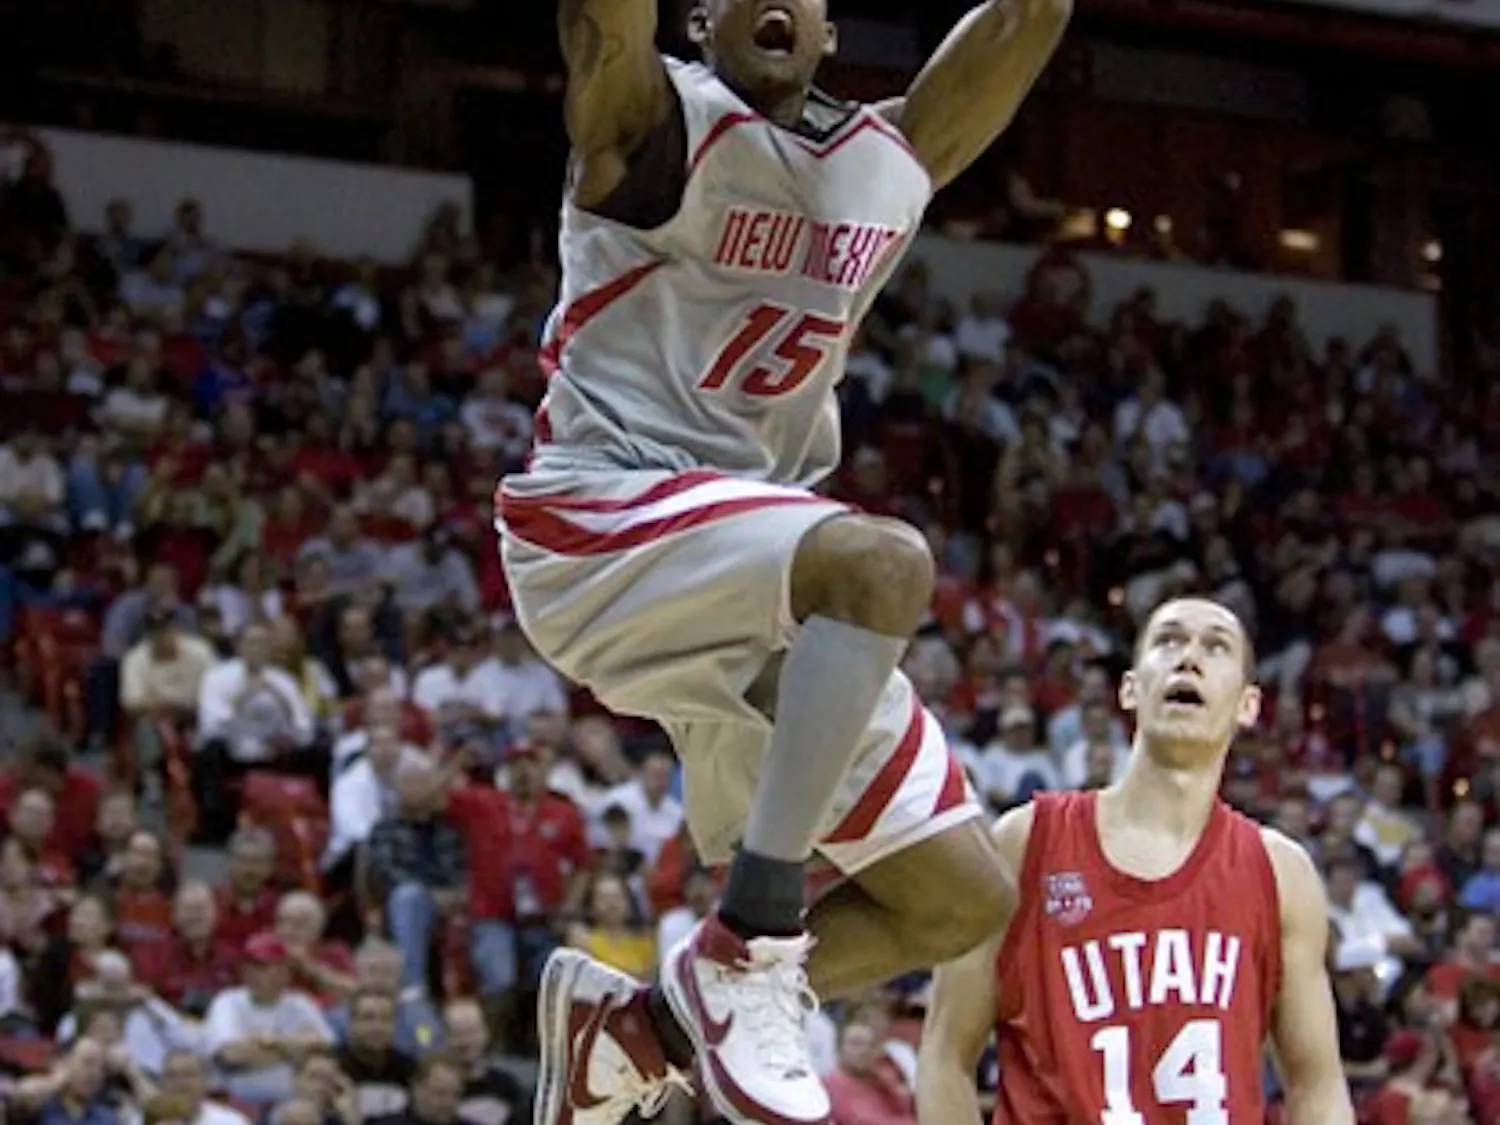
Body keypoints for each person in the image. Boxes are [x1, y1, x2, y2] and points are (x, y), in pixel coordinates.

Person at [502, 1, 1072, 1123]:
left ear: (826, 31)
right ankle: (755, 940)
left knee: (960, 902)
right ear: (700, 20)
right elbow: (598, 26)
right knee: (881, 565)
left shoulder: (888, 158)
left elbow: (1033, 12)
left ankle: (636, 1032)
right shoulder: (655, 123)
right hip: (602, 524)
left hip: (755, 570)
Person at [915, 597, 1354, 1124]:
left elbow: (1318, 1089)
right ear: (1129, 688)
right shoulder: (1026, 843)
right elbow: (945, 1058)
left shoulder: (1281, 874)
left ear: (1248, 705)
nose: (1189, 657)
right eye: (1168, 641)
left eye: (1216, 647)